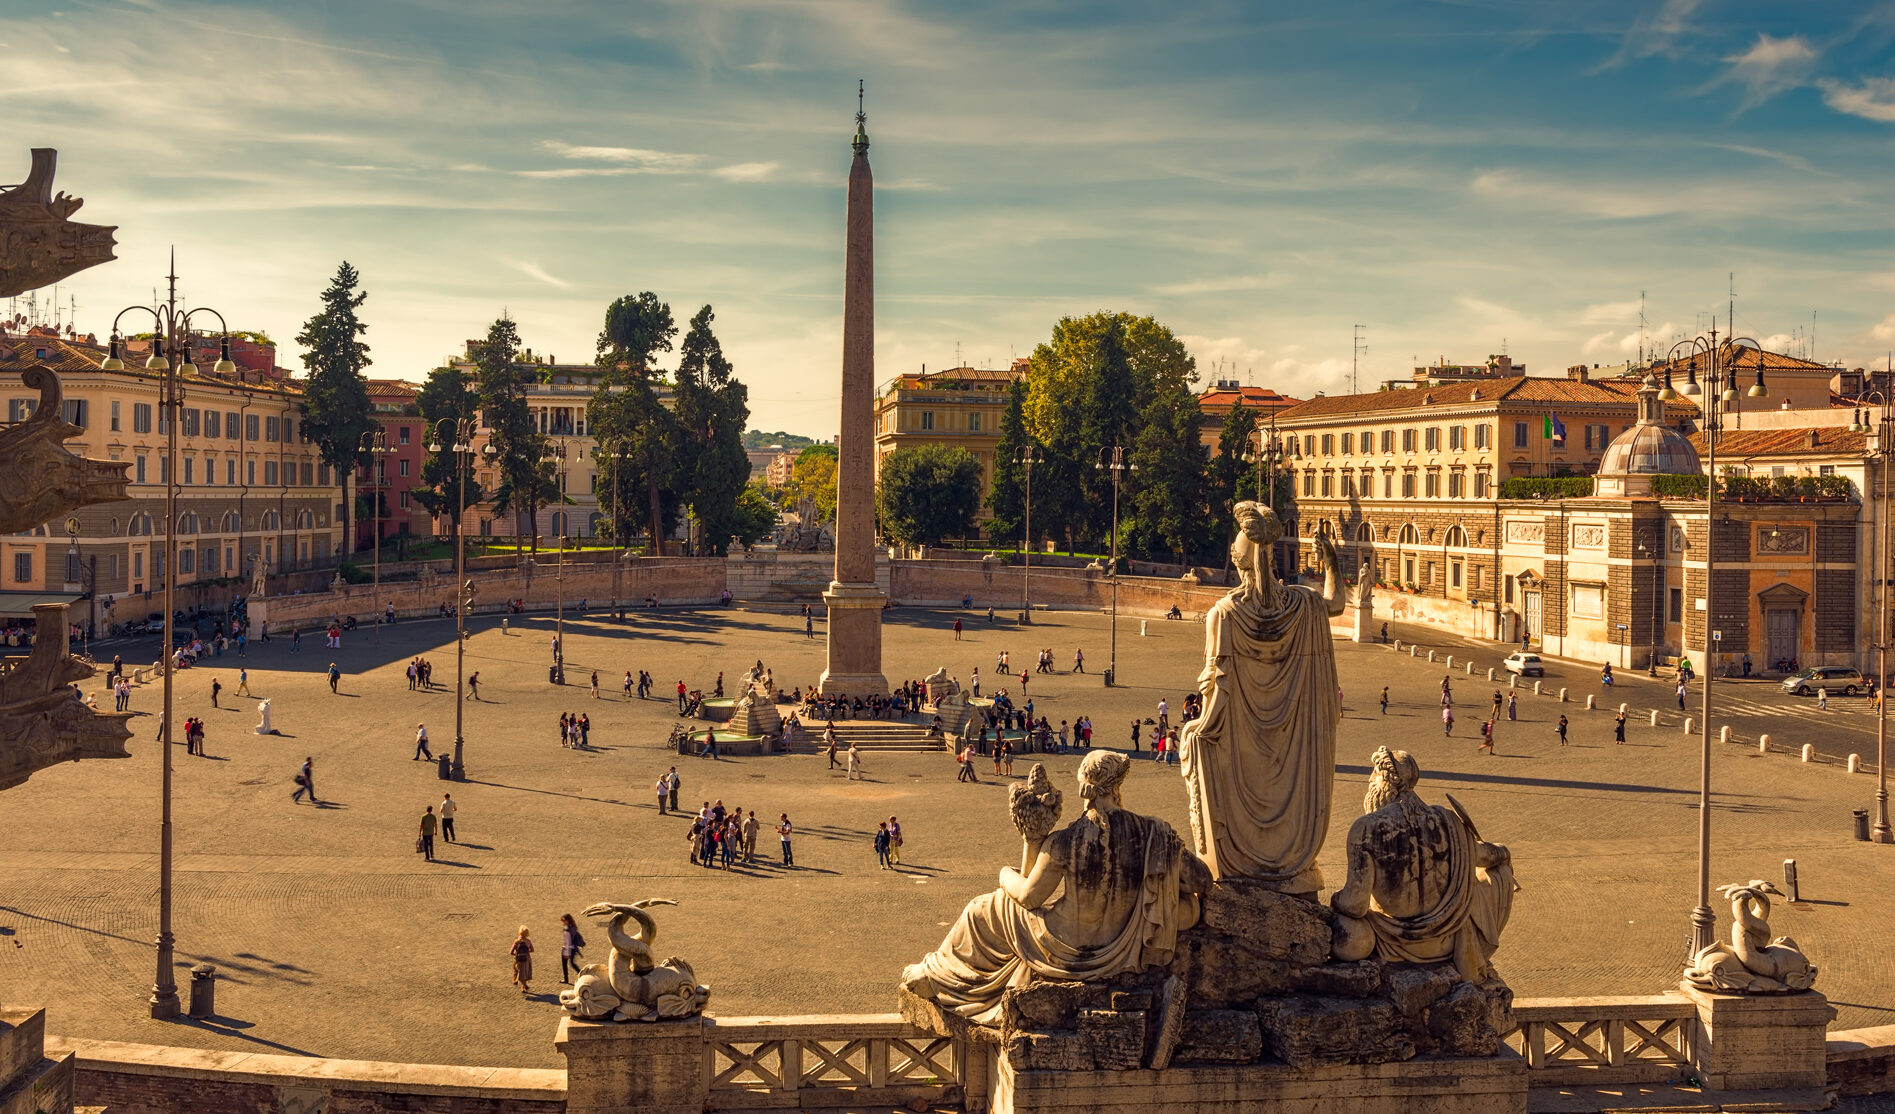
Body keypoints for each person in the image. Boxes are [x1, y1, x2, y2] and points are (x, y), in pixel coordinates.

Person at [900, 751, 1211, 1024]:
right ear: (1118, 786)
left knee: (982, 909)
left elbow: (1028, 896)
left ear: (1084, 789)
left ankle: (937, 978)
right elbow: (1201, 881)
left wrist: (1007, 869)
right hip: (1121, 945)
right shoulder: (1153, 833)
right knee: (1187, 910)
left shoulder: (1066, 840)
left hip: (1065, 945)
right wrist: (1162, 881)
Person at [511, 927, 535, 994]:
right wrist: (526, 952)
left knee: (519, 974)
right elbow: (532, 950)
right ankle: (524, 987)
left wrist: (517, 953)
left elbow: (511, 952)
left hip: (519, 960)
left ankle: (524, 985)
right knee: (525, 973)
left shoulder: (516, 941)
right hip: (527, 959)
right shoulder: (528, 941)